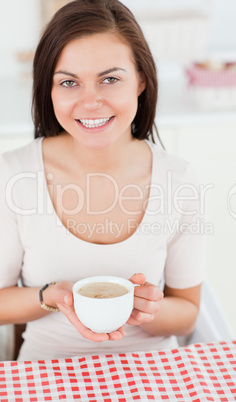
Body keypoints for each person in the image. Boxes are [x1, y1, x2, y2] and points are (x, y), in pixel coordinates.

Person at [0, 0, 205, 361]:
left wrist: (145, 310)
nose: (90, 102)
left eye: (110, 79)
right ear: (49, 90)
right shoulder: (14, 175)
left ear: (141, 79)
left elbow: (187, 312)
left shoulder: (179, 179)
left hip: (153, 369)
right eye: (69, 82)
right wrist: (50, 297)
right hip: (46, 370)